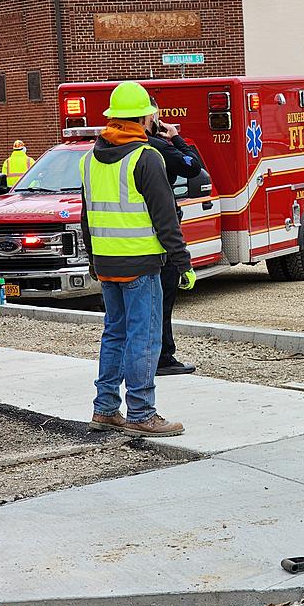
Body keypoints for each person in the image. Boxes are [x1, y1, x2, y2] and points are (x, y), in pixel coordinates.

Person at [81, 80, 196, 437]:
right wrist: (183, 262)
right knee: (144, 337)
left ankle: (105, 408)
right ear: (146, 118)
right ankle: (142, 412)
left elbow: (86, 217)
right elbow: (165, 217)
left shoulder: (89, 159)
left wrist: (93, 261)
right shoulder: (146, 158)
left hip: (107, 263)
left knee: (114, 334)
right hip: (142, 264)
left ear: (113, 119)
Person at [145, 98, 205, 376]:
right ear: (149, 118)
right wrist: (176, 138)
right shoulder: (158, 149)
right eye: (156, 115)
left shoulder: (104, 151)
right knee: (162, 301)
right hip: (159, 243)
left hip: (121, 248)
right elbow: (195, 167)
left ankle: (142, 358)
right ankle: (162, 358)